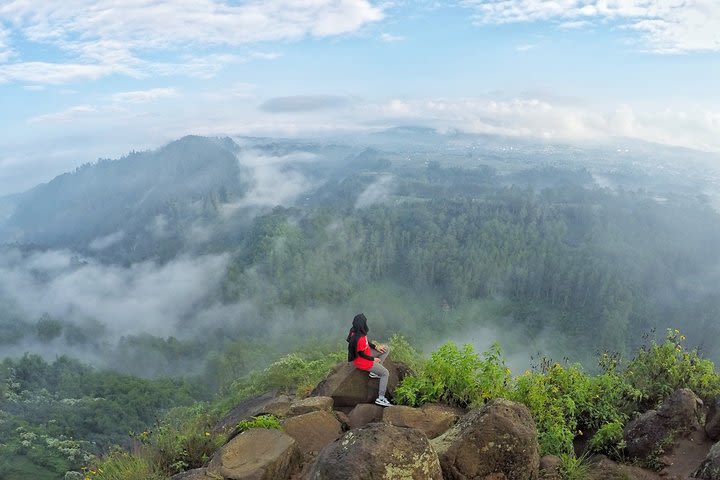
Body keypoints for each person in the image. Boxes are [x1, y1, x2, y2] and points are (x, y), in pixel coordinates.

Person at [346, 313, 392, 407]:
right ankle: (381, 398)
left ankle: (375, 373)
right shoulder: (360, 338)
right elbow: (361, 354)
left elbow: (365, 343)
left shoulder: (354, 331)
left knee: (386, 348)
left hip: (365, 354)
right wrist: (373, 359)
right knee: (385, 373)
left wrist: (375, 347)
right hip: (362, 361)